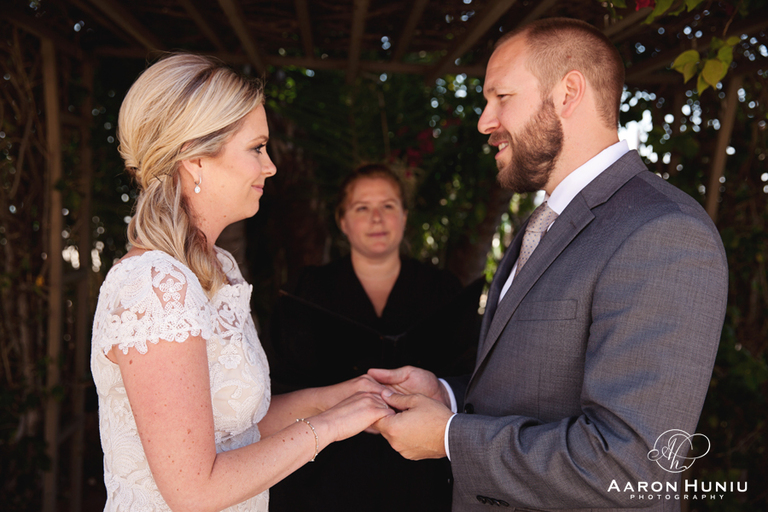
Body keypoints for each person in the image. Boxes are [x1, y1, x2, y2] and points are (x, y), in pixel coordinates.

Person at [370, 17, 728, 512]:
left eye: (501, 97)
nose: (484, 121)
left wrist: (451, 437)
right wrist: (448, 399)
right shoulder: (548, 219)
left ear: (567, 93)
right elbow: (532, 388)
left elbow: (629, 467)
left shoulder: (662, 232)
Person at [90, 53, 393, 512]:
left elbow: (236, 428)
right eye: (256, 148)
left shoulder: (216, 267)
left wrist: (337, 399)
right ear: (195, 160)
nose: (269, 166)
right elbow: (196, 491)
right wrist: (329, 428)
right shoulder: (154, 286)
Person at [268, 164, 480, 512]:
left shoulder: (441, 289)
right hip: (324, 479)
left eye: (388, 206)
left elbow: (470, 376)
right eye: (362, 208)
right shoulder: (306, 291)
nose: (376, 219)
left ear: (404, 215)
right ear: (342, 221)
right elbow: (278, 384)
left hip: (421, 479)